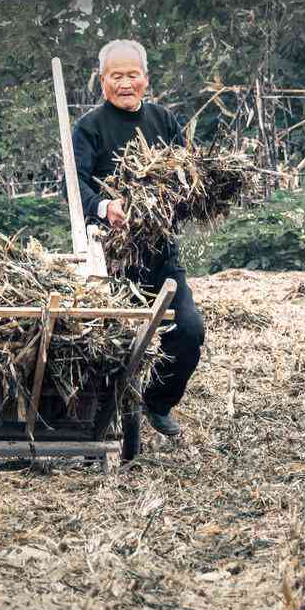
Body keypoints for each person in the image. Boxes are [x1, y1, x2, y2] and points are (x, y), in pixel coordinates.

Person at [69, 39, 204, 437]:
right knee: (116, 340)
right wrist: (104, 207)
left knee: (189, 330)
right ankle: (107, 413)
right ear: (102, 80)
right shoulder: (89, 128)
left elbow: (187, 174)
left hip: (160, 252)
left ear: (145, 78)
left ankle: (158, 404)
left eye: (132, 75)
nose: (125, 83)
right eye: (116, 76)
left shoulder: (164, 122)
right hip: (109, 258)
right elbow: (73, 184)